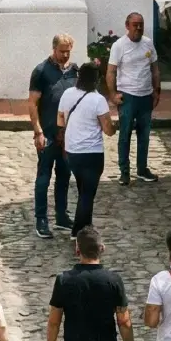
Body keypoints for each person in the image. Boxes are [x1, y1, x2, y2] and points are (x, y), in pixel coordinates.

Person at [46, 226, 134, 341]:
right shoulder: (114, 280)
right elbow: (124, 322)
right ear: (102, 248)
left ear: (77, 251)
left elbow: (54, 321)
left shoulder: (63, 280)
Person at [28, 33, 79, 239]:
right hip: (48, 133)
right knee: (44, 177)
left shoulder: (75, 72)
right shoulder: (41, 71)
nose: (65, 55)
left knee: (65, 176)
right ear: (54, 49)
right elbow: (32, 103)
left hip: (67, 135)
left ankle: (61, 215)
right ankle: (41, 218)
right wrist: (37, 131)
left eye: (68, 51)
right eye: (62, 51)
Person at [58, 62, 114, 232]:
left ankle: (86, 227)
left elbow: (60, 119)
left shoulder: (67, 94)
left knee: (84, 190)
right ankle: (78, 231)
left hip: (72, 152)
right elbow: (108, 130)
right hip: (92, 153)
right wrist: (113, 127)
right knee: (87, 195)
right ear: (96, 80)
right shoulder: (98, 100)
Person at [107, 12, 159, 185]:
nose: (138, 28)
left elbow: (155, 69)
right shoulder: (119, 46)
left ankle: (142, 169)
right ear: (127, 25)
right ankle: (124, 171)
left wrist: (157, 91)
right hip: (128, 96)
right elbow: (111, 71)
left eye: (141, 24)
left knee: (144, 135)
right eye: (135, 24)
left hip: (146, 96)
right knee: (125, 134)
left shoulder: (148, 43)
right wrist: (113, 94)